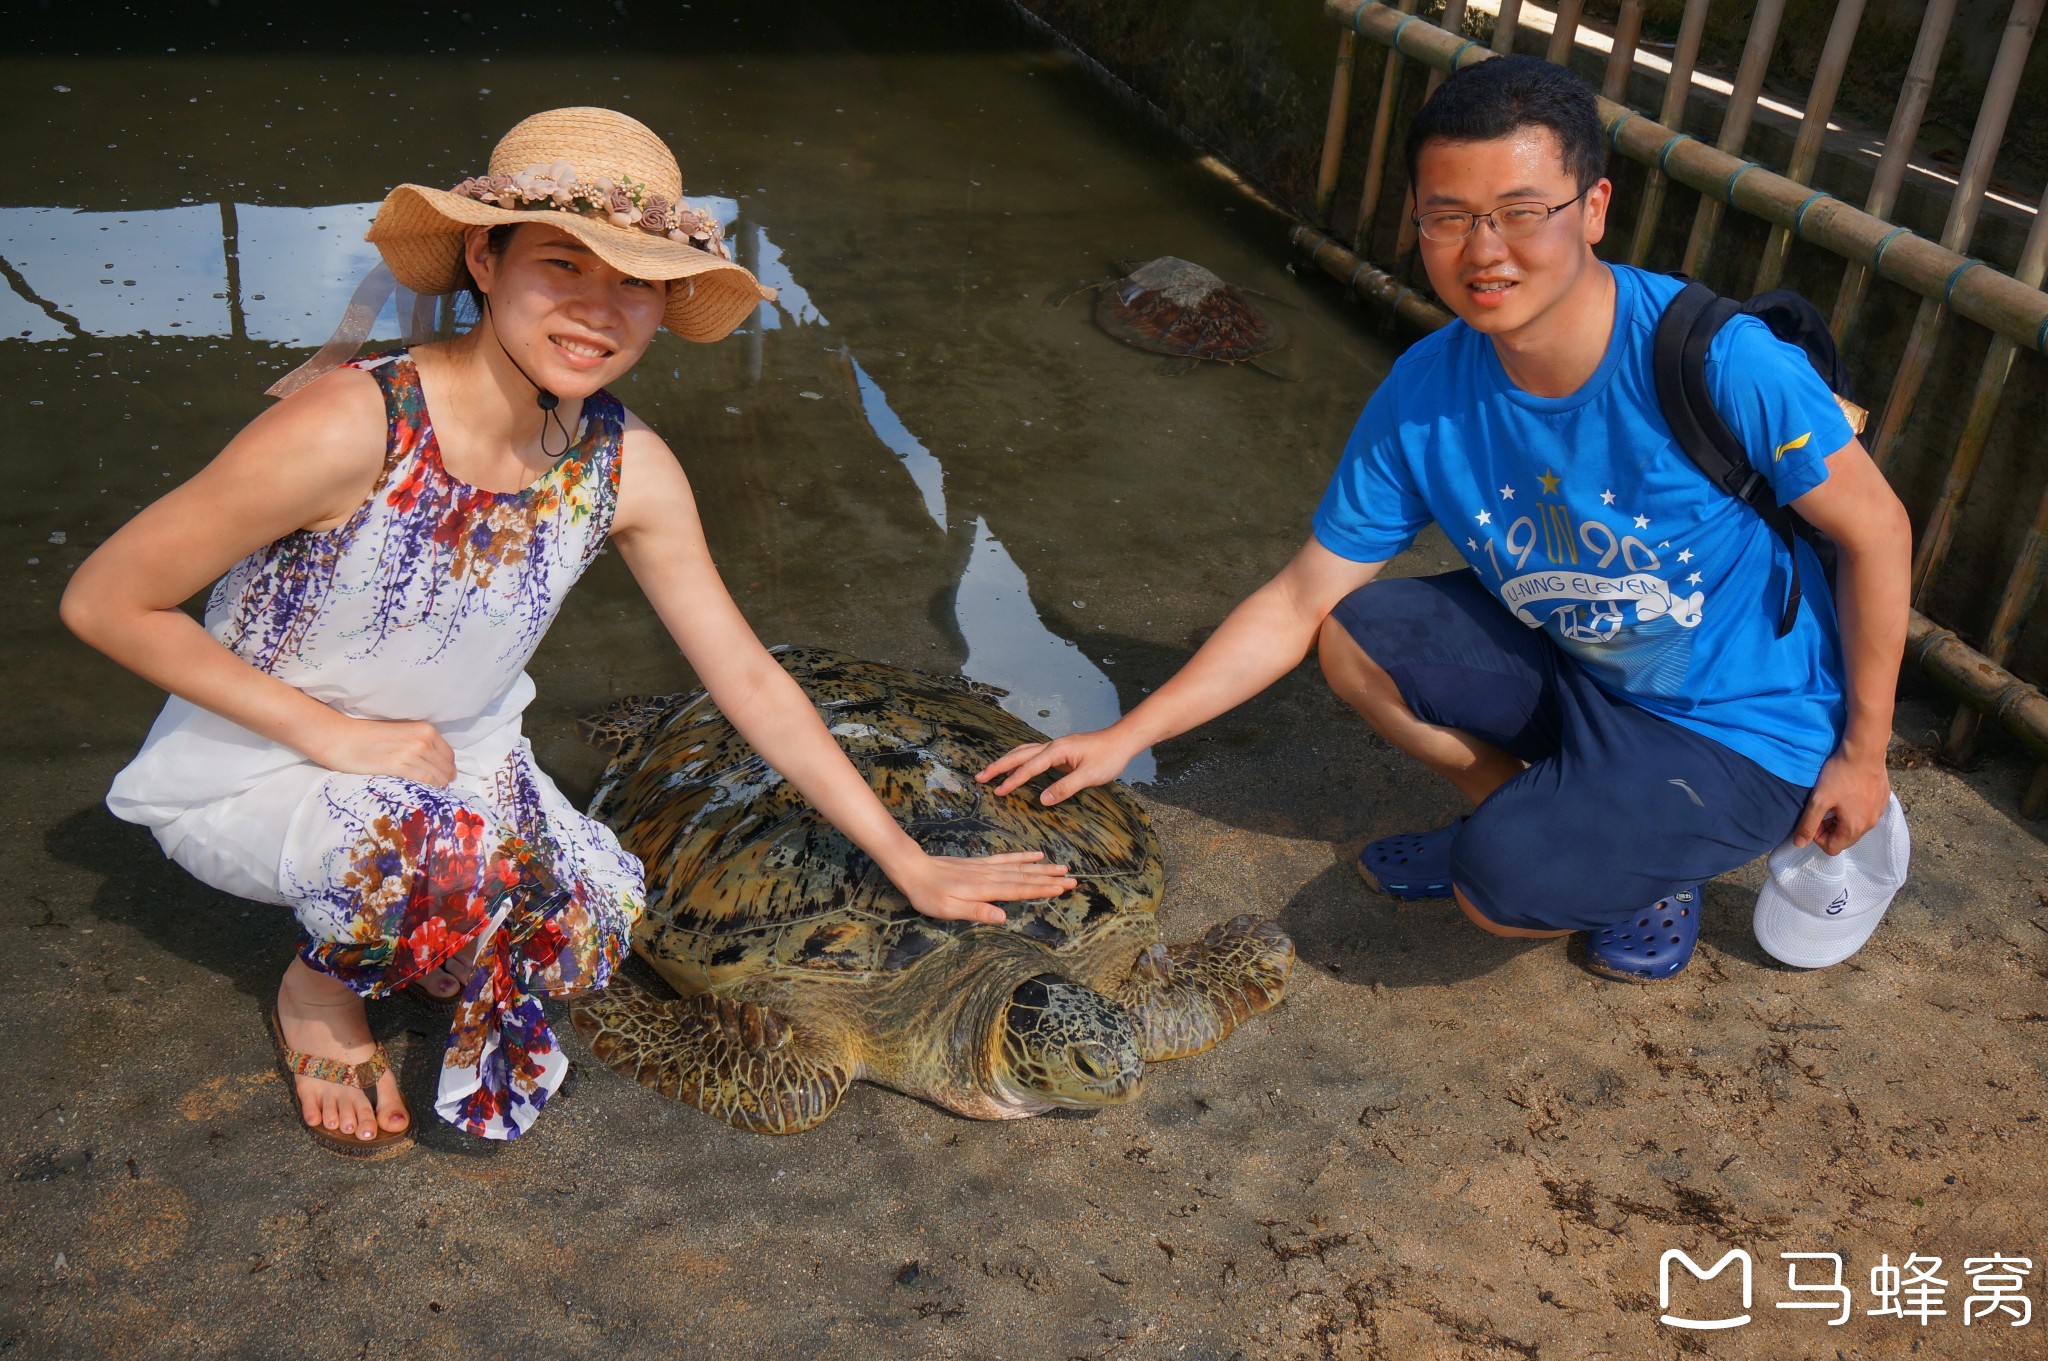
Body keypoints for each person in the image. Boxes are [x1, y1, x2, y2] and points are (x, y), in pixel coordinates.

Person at [61, 106, 1076, 1157]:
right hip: (266, 755)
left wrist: (906, 859)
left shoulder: (623, 462)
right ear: (484, 257)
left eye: (635, 280)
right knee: (440, 870)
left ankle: (431, 914)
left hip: (457, 759)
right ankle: (318, 993)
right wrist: (336, 737)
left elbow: (743, 671)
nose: (599, 310)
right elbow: (104, 600)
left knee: (587, 927)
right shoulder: (352, 423)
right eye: (563, 264)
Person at [979, 57, 1910, 983]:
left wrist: (1863, 757)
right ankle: (1549, 817)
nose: (1483, 250)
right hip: (1590, 667)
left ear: (1592, 209)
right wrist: (1124, 735)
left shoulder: (1717, 359)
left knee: (1495, 889)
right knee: (1352, 638)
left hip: (1741, 724)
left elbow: (1880, 532)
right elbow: (1299, 598)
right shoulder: (1426, 392)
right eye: (1448, 217)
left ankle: (1641, 866)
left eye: (1520, 212)